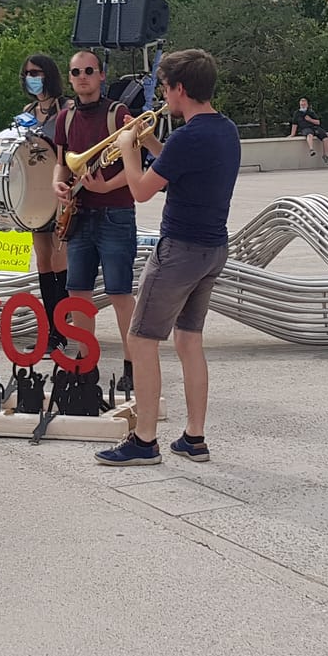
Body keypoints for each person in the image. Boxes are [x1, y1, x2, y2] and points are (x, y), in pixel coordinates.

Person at [95, 50, 239, 466]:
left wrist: (126, 147)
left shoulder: (188, 137)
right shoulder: (224, 130)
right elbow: (175, 167)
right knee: (189, 341)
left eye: (163, 87)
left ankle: (144, 440)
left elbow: (140, 190)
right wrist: (148, 142)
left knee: (141, 341)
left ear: (179, 89)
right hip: (213, 248)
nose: (161, 95)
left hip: (180, 250)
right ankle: (194, 437)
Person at [53, 50, 158, 391]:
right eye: (75, 72)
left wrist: (106, 185)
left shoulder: (119, 113)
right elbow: (63, 163)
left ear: (100, 75)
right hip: (80, 214)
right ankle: (86, 361)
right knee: (77, 291)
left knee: (119, 293)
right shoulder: (65, 118)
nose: (82, 76)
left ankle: (132, 365)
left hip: (115, 213)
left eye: (89, 70)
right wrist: (58, 182)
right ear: (70, 78)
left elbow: (136, 169)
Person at [20, 53, 71, 351]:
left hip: (61, 189)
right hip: (35, 192)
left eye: (36, 72)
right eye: (27, 73)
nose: (31, 77)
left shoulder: (67, 108)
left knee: (58, 257)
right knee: (41, 259)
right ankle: (51, 329)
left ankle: (62, 330)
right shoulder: (27, 110)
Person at [290, 97, 328, 165]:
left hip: (314, 127)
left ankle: (325, 155)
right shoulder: (297, 113)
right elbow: (294, 124)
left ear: (307, 104)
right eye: (301, 103)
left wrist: (310, 119)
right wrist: (292, 134)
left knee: (325, 138)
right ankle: (311, 149)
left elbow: (318, 122)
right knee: (309, 135)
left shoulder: (311, 112)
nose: (303, 104)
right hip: (305, 128)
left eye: (304, 103)